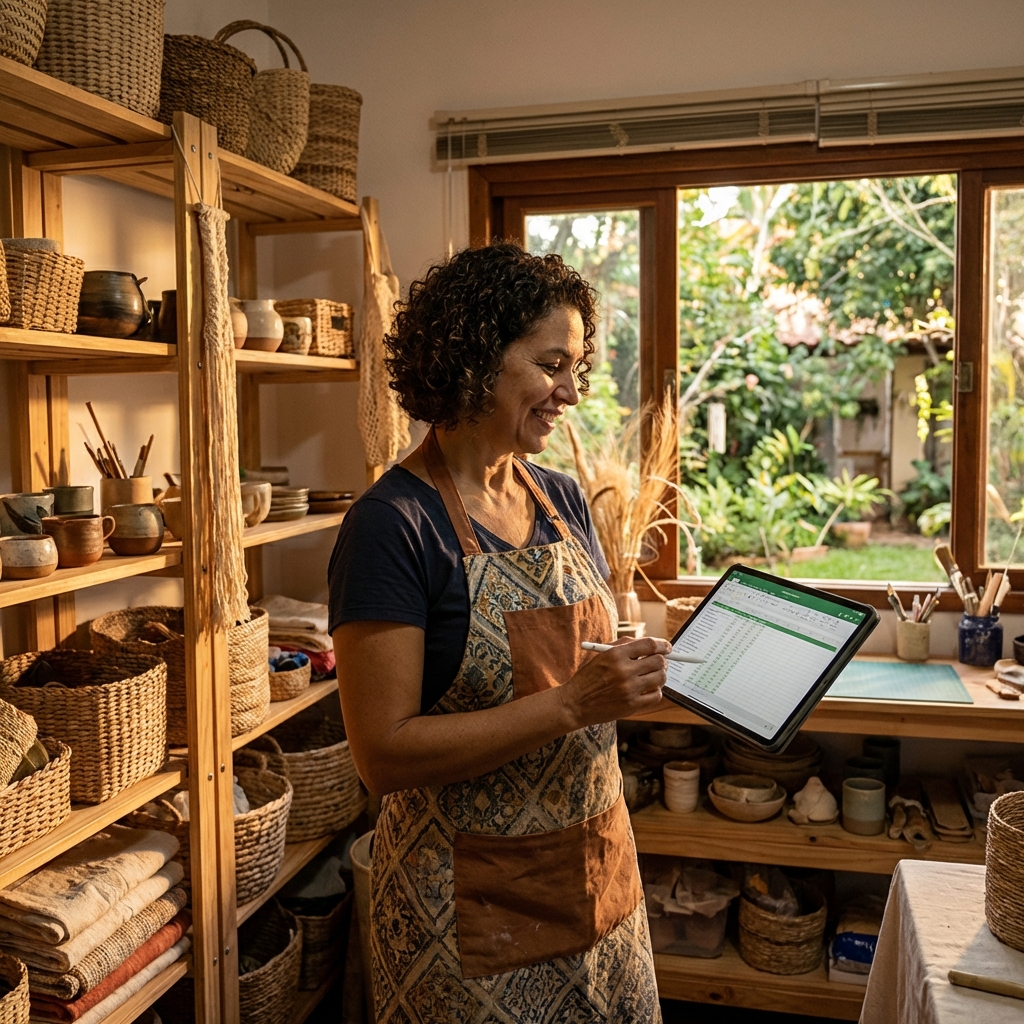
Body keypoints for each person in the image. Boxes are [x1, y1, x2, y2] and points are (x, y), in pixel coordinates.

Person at [329, 243, 666, 1023]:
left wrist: (635, 674)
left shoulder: (560, 498)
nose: (571, 392)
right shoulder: (391, 526)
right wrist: (577, 705)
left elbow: (586, 664)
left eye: (577, 367)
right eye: (553, 364)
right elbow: (382, 755)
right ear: (476, 359)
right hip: (466, 915)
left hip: (596, 881)